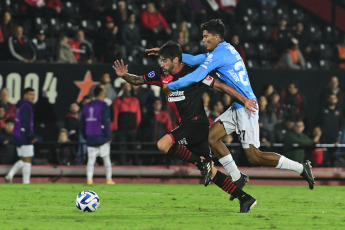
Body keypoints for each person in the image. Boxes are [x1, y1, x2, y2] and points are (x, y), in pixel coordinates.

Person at [146, 19, 315, 195]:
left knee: (254, 156)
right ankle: (237, 177)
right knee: (212, 137)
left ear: (216, 37)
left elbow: (196, 76)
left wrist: (170, 86)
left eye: (206, 37)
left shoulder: (219, 55)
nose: (203, 40)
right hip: (237, 105)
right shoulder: (223, 50)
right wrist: (165, 53)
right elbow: (195, 59)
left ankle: (301, 168)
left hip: (246, 105)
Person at [113, 41, 258, 213]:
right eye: (161, 60)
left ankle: (201, 162)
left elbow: (220, 86)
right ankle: (245, 198)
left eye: (165, 61)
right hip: (188, 126)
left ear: (176, 60)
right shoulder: (160, 74)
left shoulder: (194, 73)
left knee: (163, 144)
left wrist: (244, 100)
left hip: (197, 123)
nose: (162, 64)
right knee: (211, 173)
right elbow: (138, 80)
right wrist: (124, 75)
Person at [80, 86, 114, 185]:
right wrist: (108, 136)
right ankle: (109, 179)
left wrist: (85, 135)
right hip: (101, 136)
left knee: (91, 160)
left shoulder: (86, 106)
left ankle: (89, 180)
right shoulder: (104, 105)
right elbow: (106, 121)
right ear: (102, 94)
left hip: (90, 136)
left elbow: (81, 123)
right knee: (106, 159)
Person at [5, 88, 37, 184]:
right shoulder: (26, 106)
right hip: (24, 135)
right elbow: (26, 123)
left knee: (23, 159)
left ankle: (10, 175)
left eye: (33, 94)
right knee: (27, 159)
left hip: (17, 135)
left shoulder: (20, 105)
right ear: (25, 95)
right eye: (30, 94)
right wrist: (31, 136)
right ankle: (26, 181)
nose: (33, 97)